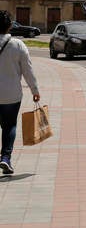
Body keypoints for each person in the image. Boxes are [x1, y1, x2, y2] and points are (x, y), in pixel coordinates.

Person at [0, 11, 40, 175]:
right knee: (9, 126)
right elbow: (28, 70)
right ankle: (5, 158)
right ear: (10, 25)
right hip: (11, 95)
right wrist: (35, 90)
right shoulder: (18, 45)